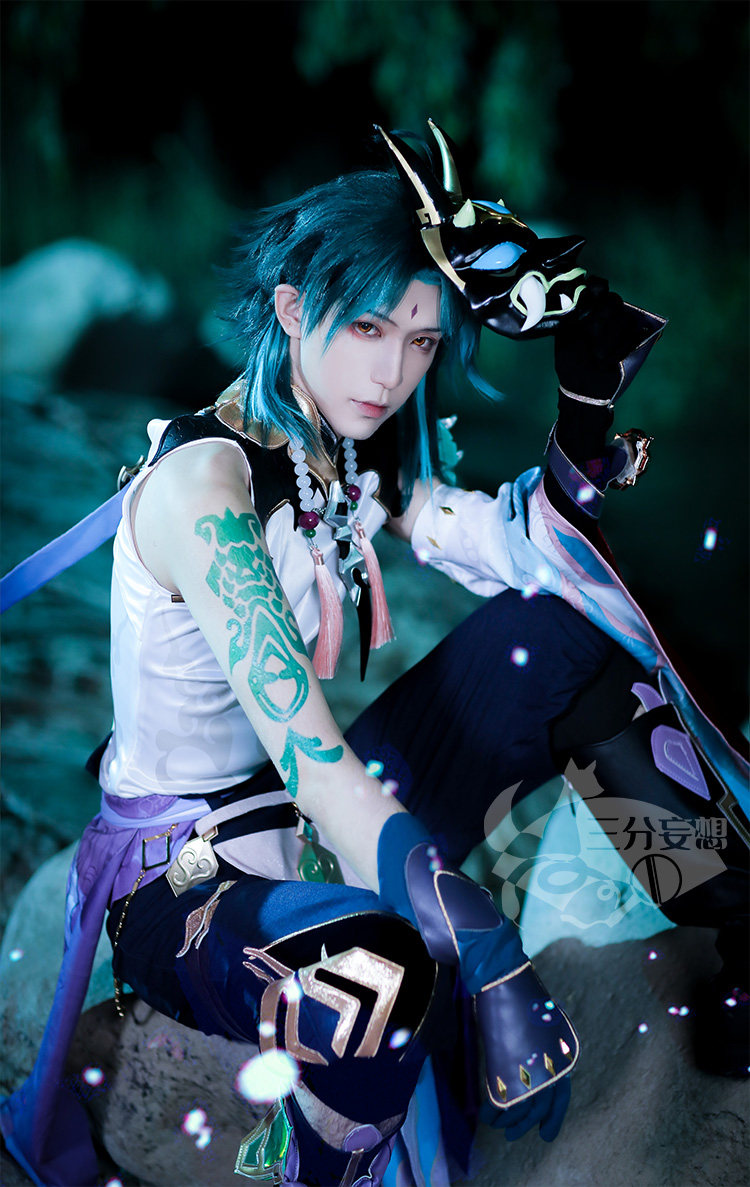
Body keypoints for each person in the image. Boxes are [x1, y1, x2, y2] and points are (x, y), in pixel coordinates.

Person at [2, 121, 748, 1187]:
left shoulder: (344, 449)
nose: (392, 372)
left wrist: (584, 400)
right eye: (366, 328)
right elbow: (315, 764)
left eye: (423, 342)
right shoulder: (203, 493)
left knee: (559, 638)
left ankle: (739, 945)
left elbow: (517, 551)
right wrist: (484, 945)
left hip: (317, 820)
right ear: (291, 308)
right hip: (189, 875)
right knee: (377, 973)